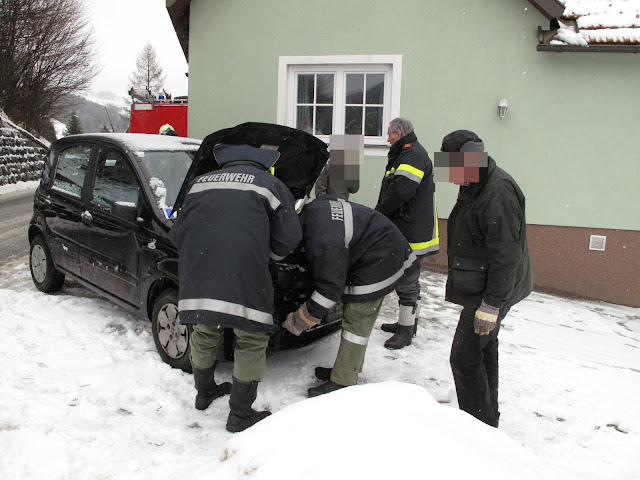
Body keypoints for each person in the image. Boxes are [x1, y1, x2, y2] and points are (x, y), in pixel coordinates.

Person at [169, 143, 302, 432]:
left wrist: (201, 255)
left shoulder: (198, 184)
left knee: (204, 331)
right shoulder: (270, 184)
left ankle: (204, 392)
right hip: (246, 275)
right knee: (251, 338)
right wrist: (266, 255)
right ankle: (240, 414)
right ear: (262, 162)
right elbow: (290, 237)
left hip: (199, 273)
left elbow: (177, 233)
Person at [281, 195, 420, 397]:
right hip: (382, 244)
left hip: (381, 259)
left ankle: (343, 381)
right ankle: (347, 368)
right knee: (354, 317)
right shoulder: (312, 211)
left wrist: (299, 322)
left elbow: (329, 291)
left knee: (357, 319)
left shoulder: (323, 241)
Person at [440, 129, 532, 427]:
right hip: (486, 284)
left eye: (452, 166)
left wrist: (491, 305)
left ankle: (476, 427)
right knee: (483, 349)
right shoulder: (475, 183)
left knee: (464, 357)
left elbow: (506, 256)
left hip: (492, 290)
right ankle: (487, 419)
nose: (449, 175)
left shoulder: (497, 193)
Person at [375, 118, 439, 350]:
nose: (387, 139)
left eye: (389, 134)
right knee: (410, 279)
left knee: (406, 280)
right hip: (411, 227)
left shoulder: (412, 155)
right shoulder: (408, 153)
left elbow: (399, 191)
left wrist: (380, 214)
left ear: (399, 134)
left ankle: (405, 331)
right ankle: (409, 324)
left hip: (411, 231)